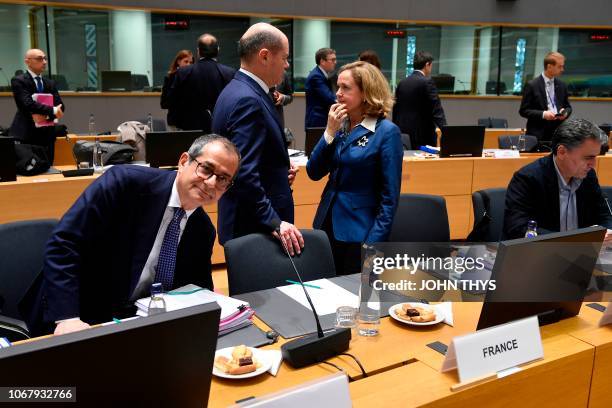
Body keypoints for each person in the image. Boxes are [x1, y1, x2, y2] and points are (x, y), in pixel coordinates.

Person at [20, 135, 241, 336]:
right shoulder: (124, 184)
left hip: (138, 324)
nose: (211, 182)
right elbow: (63, 244)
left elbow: (195, 291)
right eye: (206, 169)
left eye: (223, 179)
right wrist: (68, 319)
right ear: (184, 161)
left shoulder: (202, 229)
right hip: (78, 314)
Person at [212, 23, 303, 255]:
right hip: (255, 226)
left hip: (247, 220)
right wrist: (273, 221)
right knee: (265, 292)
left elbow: (249, 157)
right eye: (284, 57)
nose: (286, 65)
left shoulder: (236, 89)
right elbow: (243, 171)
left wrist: (278, 168)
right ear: (264, 56)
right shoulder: (248, 100)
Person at [306, 61, 403, 275]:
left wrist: (374, 245)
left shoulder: (386, 132)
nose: (338, 94)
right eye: (338, 87)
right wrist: (329, 132)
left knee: (352, 295)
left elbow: (390, 198)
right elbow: (313, 171)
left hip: (360, 231)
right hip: (327, 222)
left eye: (346, 88)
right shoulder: (340, 125)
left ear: (366, 93)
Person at [503, 118, 612, 240]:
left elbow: (604, 215)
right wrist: (572, 240)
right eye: (588, 157)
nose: (593, 164)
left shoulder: (589, 176)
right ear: (562, 152)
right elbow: (518, 228)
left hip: (581, 254)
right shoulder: (528, 178)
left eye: (595, 157)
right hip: (541, 254)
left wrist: (607, 230)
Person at [168, 34, 235, 133]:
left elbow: (172, 101)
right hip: (219, 131)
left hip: (189, 132)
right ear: (218, 50)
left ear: (198, 51)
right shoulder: (229, 73)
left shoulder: (183, 73)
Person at [9, 49, 64, 164]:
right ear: (27, 62)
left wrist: (48, 117)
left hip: (47, 136)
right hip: (27, 135)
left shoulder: (50, 83)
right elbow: (28, 104)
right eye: (39, 59)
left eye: (45, 58)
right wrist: (53, 110)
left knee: (49, 169)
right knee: (29, 170)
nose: (44, 62)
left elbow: (60, 106)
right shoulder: (19, 81)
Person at [392, 51, 446, 149]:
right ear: (427, 65)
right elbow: (436, 110)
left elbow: (396, 109)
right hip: (423, 134)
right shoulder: (427, 82)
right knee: (423, 163)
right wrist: (446, 130)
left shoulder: (402, 83)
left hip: (403, 133)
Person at [519, 51, 572, 142]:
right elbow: (524, 111)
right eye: (560, 66)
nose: (562, 69)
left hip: (558, 132)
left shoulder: (562, 85)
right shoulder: (532, 85)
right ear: (549, 66)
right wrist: (543, 114)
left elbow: (568, 107)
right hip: (538, 133)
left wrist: (565, 113)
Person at [160, 50, 193, 131]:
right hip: (175, 121)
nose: (189, 64)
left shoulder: (194, 78)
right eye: (186, 61)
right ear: (178, 61)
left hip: (191, 121)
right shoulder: (170, 78)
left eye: (191, 62)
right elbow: (164, 103)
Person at [305, 48, 337, 129]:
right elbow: (329, 98)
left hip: (320, 120)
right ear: (322, 61)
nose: (335, 62)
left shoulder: (321, 75)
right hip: (317, 121)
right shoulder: (316, 76)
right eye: (332, 60)